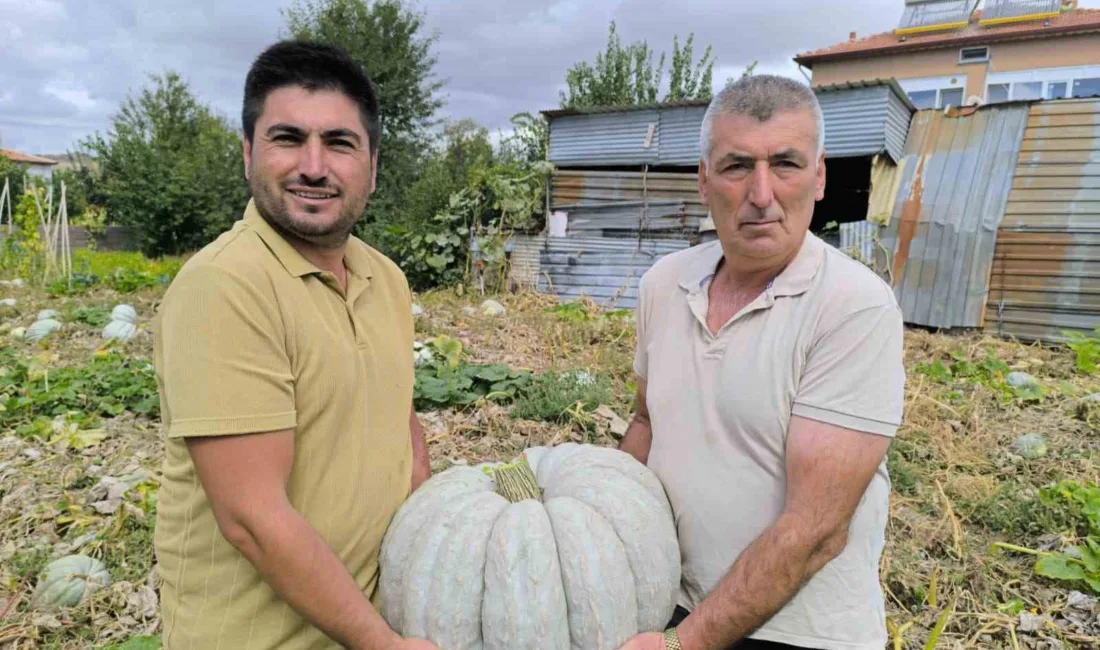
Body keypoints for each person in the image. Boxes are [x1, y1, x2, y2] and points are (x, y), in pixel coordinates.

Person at [152, 40, 437, 650]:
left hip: (368, 625)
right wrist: (383, 643)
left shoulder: (385, 279)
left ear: (373, 166)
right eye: (287, 138)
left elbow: (401, 425)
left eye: (339, 143)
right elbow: (253, 519)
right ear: (248, 154)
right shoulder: (225, 286)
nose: (314, 166)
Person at [617, 75, 905, 650]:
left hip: (798, 631)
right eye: (737, 166)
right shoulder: (664, 284)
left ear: (819, 177)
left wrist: (684, 644)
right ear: (704, 180)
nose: (762, 194)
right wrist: (592, 523)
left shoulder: (853, 306)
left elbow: (816, 530)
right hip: (670, 599)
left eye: (786, 164)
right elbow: (646, 423)